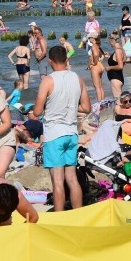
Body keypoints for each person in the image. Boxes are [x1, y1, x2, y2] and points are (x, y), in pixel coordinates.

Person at [33, 45, 91, 211]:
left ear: (50, 61)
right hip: (72, 133)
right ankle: (77, 213)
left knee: (57, 181)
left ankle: (60, 217)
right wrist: (70, 106)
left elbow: (37, 111)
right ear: (67, 59)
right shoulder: (77, 78)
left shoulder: (48, 80)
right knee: (72, 178)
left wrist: (50, 107)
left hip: (54, 134)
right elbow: (87, 107)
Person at [104, 32, 126, 99]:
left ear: (112, 40)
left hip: (116, 78)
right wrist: (109, 57)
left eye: (109, 41)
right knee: (118, 99)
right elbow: (117, 61)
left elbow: (120, 66)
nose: (109, 43)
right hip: (117, 77)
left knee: (118, 100)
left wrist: (109, 67)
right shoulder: (120, 49)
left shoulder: (118, 51)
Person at [88, 35, 106, 102]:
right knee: (100, 87)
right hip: (100, 66)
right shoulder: (98, 46)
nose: (89, 38)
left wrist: (94, 63)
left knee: (97, 87)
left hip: (96, 67)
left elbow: (95, 55)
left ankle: (99, 104)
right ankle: (103, 102)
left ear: (93, 38)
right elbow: (102, 55)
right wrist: (99, 61)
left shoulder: (93, 46)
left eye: (90, 37)